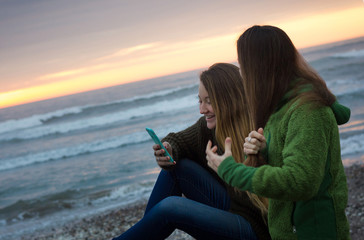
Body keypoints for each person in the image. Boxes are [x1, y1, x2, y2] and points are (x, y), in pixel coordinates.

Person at [206, 25, 351, 240]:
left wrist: (232, 170)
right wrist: (265, 151)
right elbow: (292, 161)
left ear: (259, 66)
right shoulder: (280, 107)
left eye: (242, 65)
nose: (242, 73)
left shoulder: (308, 111)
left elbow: (300, 181)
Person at [112, 63, 271, 240]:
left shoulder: (262, 128)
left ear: (229, 99)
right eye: (200, 101)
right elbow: (178, 140)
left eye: (209, 102)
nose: (202, 109)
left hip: (257, 229)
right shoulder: (209, 128)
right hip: (233, 207)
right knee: (177, 168)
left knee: (171, 208)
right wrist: (168, 149)